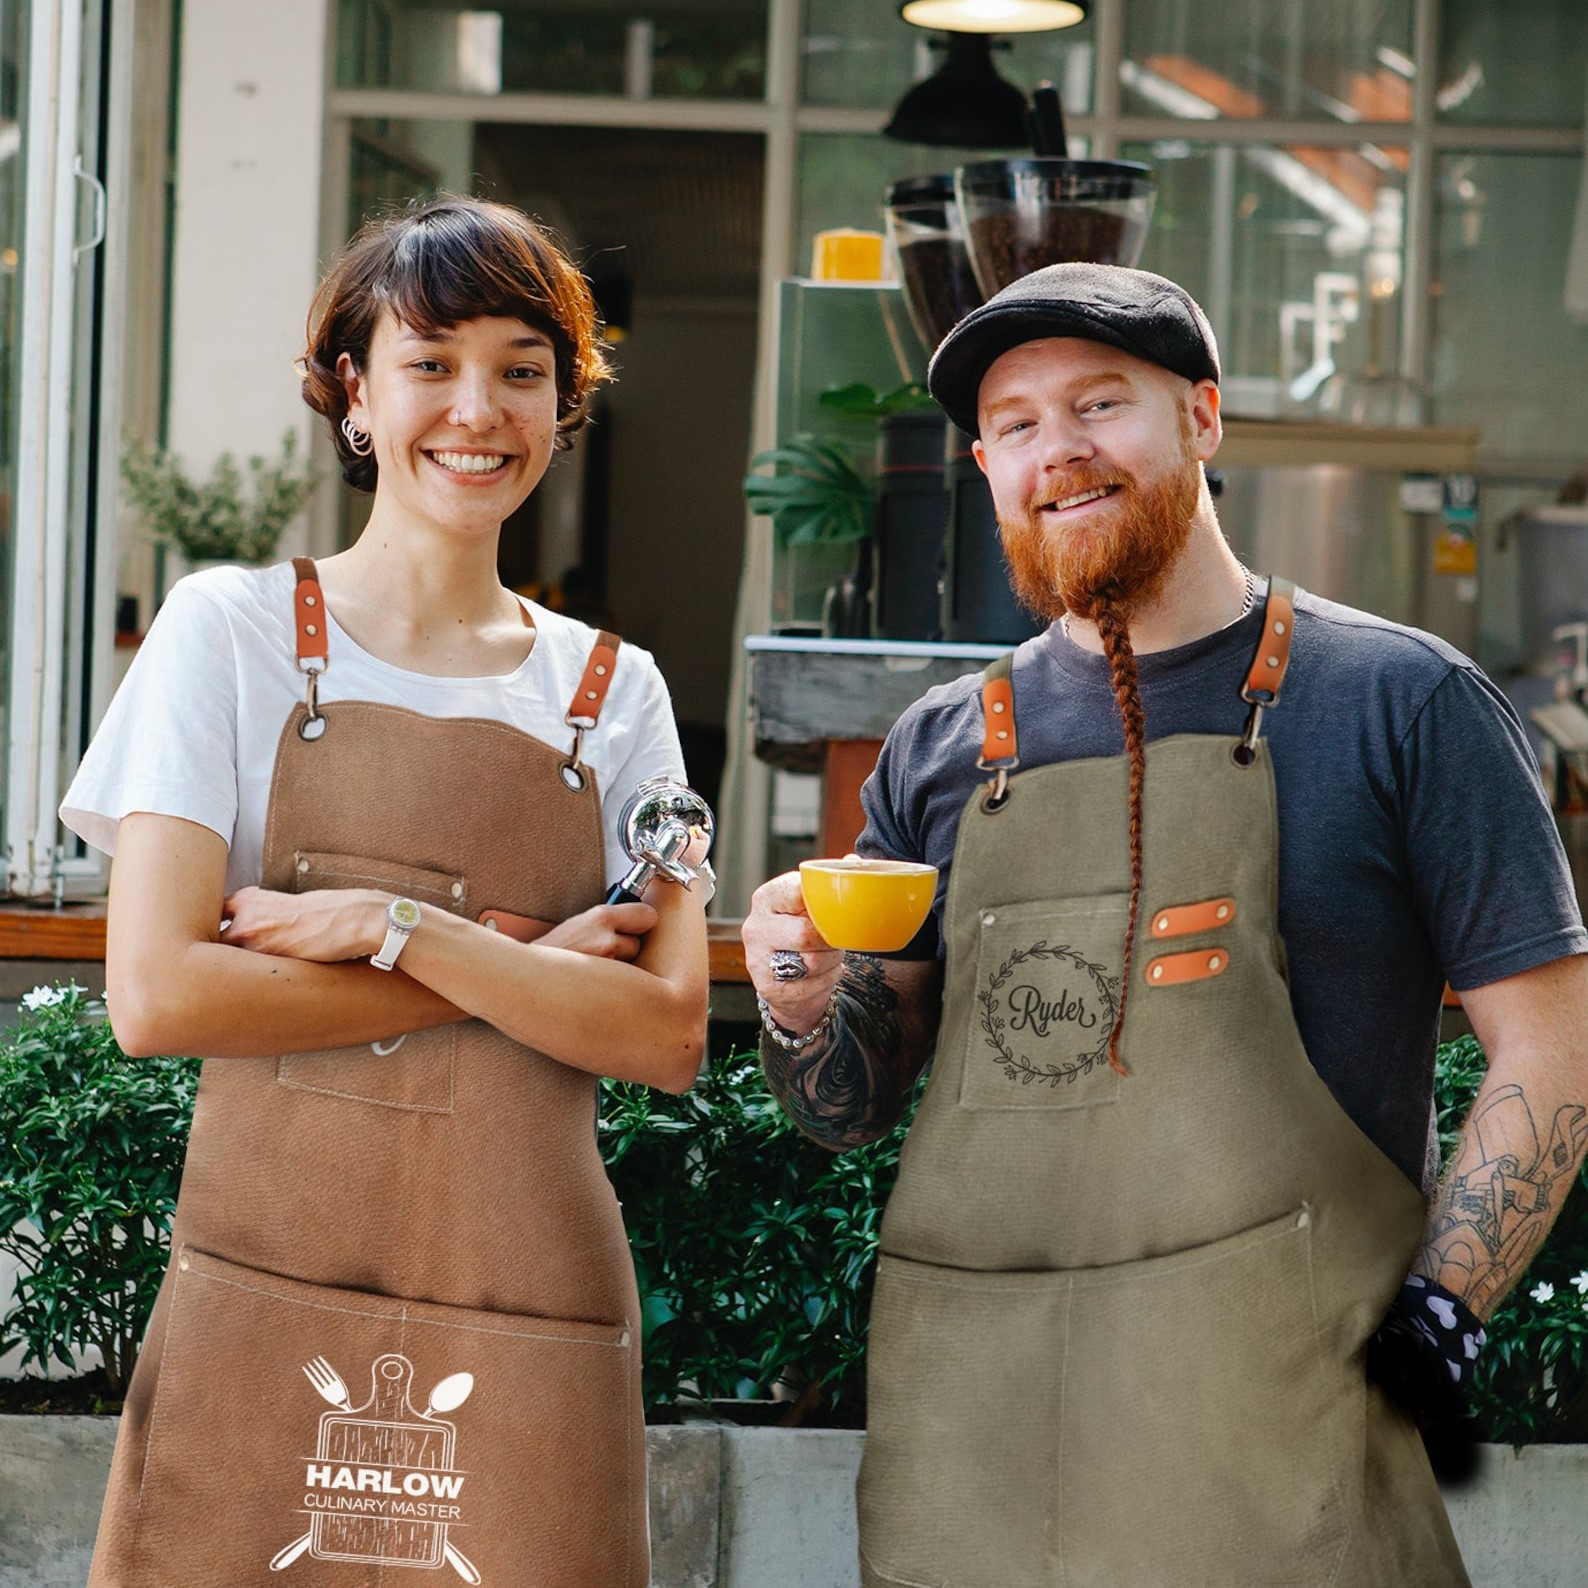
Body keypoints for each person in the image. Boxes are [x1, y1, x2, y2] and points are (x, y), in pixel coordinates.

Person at [742, 262, 1588, 1587]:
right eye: (1017, 426)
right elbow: (850, 1105)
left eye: (1100, 404)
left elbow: (1553, 1046)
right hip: (979, 1467)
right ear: (985, 465)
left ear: (1202, 417)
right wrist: (800, 1005)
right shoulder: (942, 748)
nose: (1059, 451)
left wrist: (1441, 1310)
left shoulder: (1402, 705)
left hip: (1282, 1461)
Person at [62, 196, 709, 1587]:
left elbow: (663, 1035)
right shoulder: (228, 633)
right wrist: (515, 971)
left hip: (528, 1305)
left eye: (522, 369)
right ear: (354, 391)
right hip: (266, 1291)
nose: (478, 409)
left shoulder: (617, 695)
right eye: (432, 361)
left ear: (562, 402)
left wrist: (390, 922)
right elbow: (161, 993)